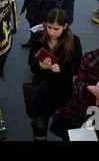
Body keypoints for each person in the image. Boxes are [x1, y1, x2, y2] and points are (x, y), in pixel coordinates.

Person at [27, 8, 82, 141]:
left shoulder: (74, 41)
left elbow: (77, 68)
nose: (51, 32)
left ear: (65, 26)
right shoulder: (38, 37)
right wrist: (39, 66)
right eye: (49, 27)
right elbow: (31, 62)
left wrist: (61, 69)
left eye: (56, 29)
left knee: (66, 129)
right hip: (42, 90)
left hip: (63, 92)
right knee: (40, 127)